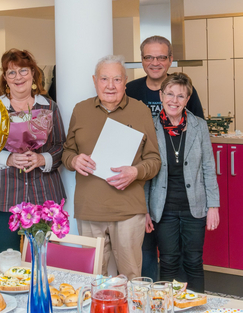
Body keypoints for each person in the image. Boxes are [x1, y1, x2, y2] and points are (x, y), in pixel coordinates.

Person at [62, 55, 161, 279]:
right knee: (94, 278)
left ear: (125, 82)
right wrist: (74, 160)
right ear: (95, 80)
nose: (110, 85)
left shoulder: (140, 111)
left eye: (117, 79)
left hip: (128, 211)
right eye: (104, 78)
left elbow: (154, 160)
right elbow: (67, 152)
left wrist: (135, 172)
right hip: (89, 210)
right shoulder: (81, 110)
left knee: (131, 277)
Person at [126, 35, 205, 281]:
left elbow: (198, 138)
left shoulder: (187, 94)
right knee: (148, 252)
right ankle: (153, 300)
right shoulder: (131, 90)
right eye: (149, 57)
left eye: (161, 57)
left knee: (184, 257)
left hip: (181, 195)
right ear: (142, 60)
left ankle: (184, 299)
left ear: (170, 60)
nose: (155, 62)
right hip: (142, 188)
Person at [0, 48, 67, 254]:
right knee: (5, 261)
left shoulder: (50, 107)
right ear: (5, 78)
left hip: (44, 196)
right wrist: (8, 159)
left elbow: (61, 146)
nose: (18, 77)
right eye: (11, 72)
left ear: (33, 74)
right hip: (0, 198)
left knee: (43, 260)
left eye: (23, 71)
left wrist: (41, 158)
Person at [146, 72, 219, 292]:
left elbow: (208, 167)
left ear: (187, 99)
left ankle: (195, 306)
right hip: (163, 208)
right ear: (161, 95)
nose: (174, 100)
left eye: (180, 96)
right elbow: (146, 173)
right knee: (168, 262)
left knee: (194, 261)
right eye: (169, 94)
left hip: (194, 207)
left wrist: (213, 206)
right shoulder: (150, 127)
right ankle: (170, 307)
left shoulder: (199, 126)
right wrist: (144, 210)